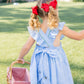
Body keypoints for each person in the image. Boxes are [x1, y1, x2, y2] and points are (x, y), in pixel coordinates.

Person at [17, 0, 84, 84]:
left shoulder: (36, 28)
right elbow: (79, 36)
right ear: (54, 10)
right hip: (55, 64)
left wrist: (20, 57)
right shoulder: (59, 28)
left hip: (39, 62)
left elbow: (27, 46)